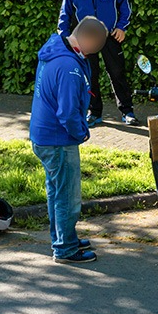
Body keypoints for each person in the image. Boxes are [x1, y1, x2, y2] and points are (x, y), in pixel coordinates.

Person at [30, 15, 109, 264]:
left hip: (43, 135)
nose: (95, 54)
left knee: (56, 192)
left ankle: (64, 238)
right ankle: (65, 249)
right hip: (59, 139)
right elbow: (67, 112)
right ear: (88, 39)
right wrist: (82, 132)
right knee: (67, 196)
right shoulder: (69, 67)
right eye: (96, 48)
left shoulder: (55, 49)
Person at [57, 0, 138, 127]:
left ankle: (127, 112)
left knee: (117, 73)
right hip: (85, 39)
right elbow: (65, 14)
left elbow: (125, 4)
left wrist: (122, 27)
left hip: (110, 36)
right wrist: (67, 38)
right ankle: (94, 112)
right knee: (89, 76)